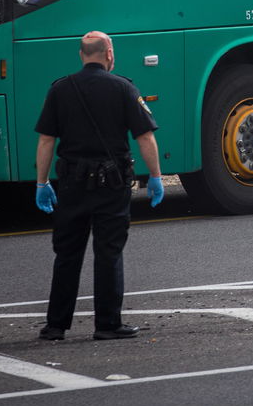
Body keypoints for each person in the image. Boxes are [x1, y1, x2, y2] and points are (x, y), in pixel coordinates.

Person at [34, 30, 164, 342]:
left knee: (67, 254)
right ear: (109, 54)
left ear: (82, 55)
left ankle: (55, 326)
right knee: (108, 252)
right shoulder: (124, 88)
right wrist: (156, 176)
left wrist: (42, 182)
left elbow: (46, 140)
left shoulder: (60, 89)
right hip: (111, 184)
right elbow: (144, 137)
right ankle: (107, 324)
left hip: (71, 184)